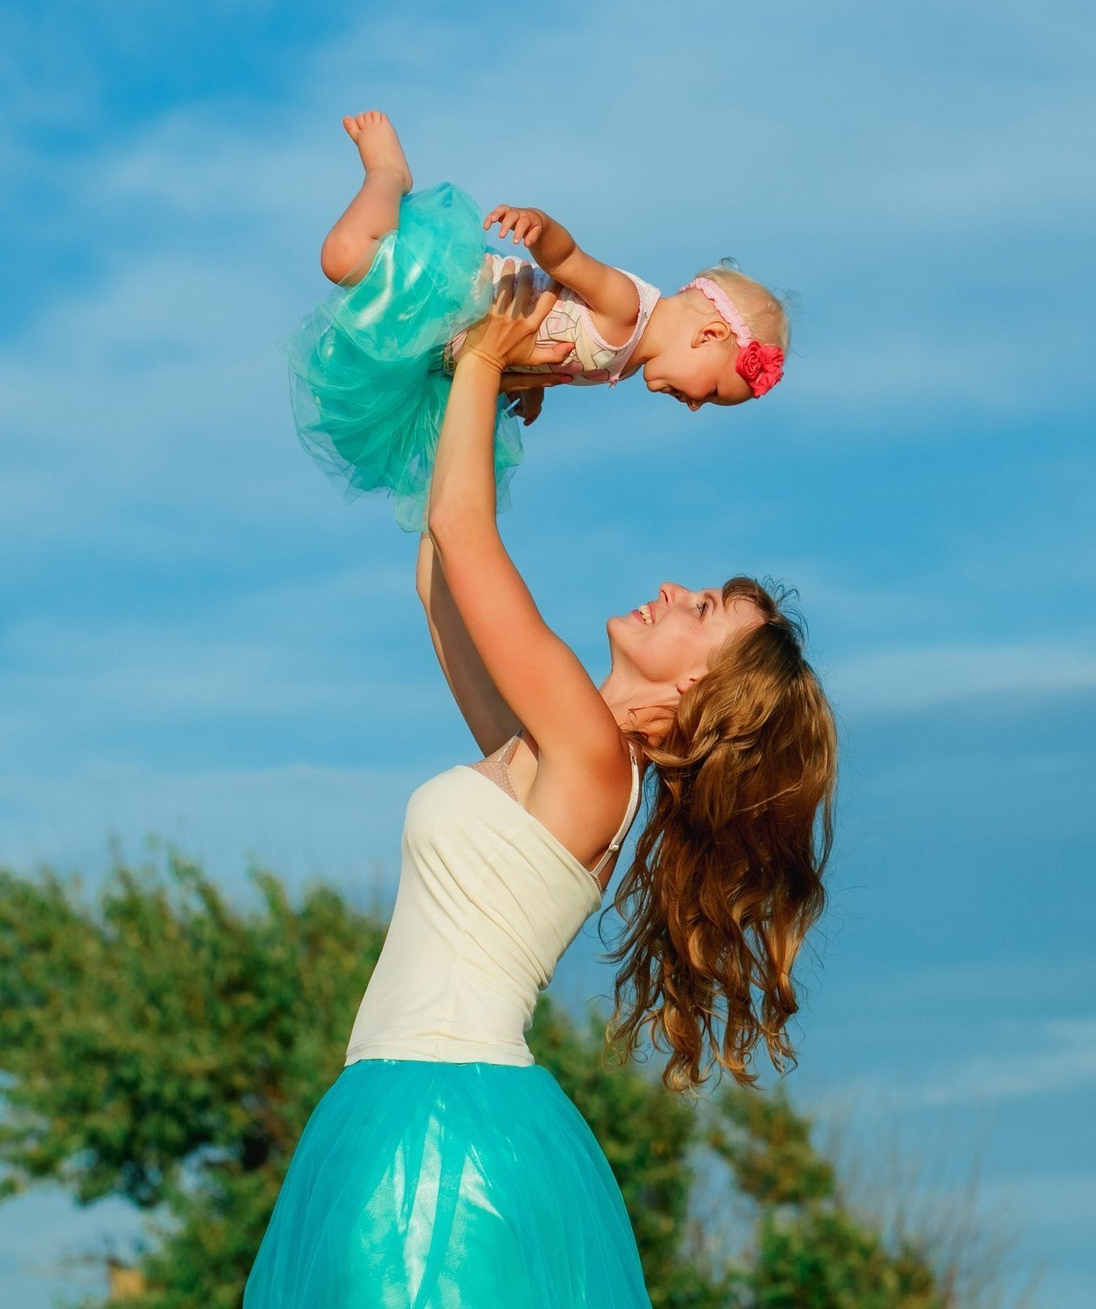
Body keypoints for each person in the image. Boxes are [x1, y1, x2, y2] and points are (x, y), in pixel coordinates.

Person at [243, 271, 837, 1307]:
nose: (666, 590)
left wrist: (480, 356)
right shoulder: (556, 748)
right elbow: (441, 566)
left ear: (698, 680)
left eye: (696, 606)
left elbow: (473, 543)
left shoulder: (589, 755)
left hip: (436, 1119)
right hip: (413, 1100)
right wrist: (487, 380)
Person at [286, 111, 791, 529]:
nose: (697, 406)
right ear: (710, 335)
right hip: (456, 293)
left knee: (379, 379)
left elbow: (556, 342)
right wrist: (539, 227)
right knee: (343, 257)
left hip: (454, 345)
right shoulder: (629, 308)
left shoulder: (626, 362)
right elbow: (570, 260)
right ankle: (388, 172)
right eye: (715, 392)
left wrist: (530, 385)